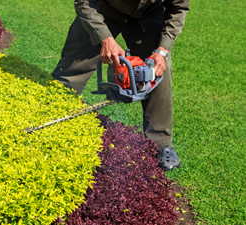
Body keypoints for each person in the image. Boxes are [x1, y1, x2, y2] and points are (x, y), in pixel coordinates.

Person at [52, 0, 190, 171]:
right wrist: (104, 37)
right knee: (72, 69)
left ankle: (161, 143)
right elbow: (84, 1)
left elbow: (178, 8)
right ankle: (51, 115)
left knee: (158, 71)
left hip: (147, 16)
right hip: (103, 10)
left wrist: (162, 50)